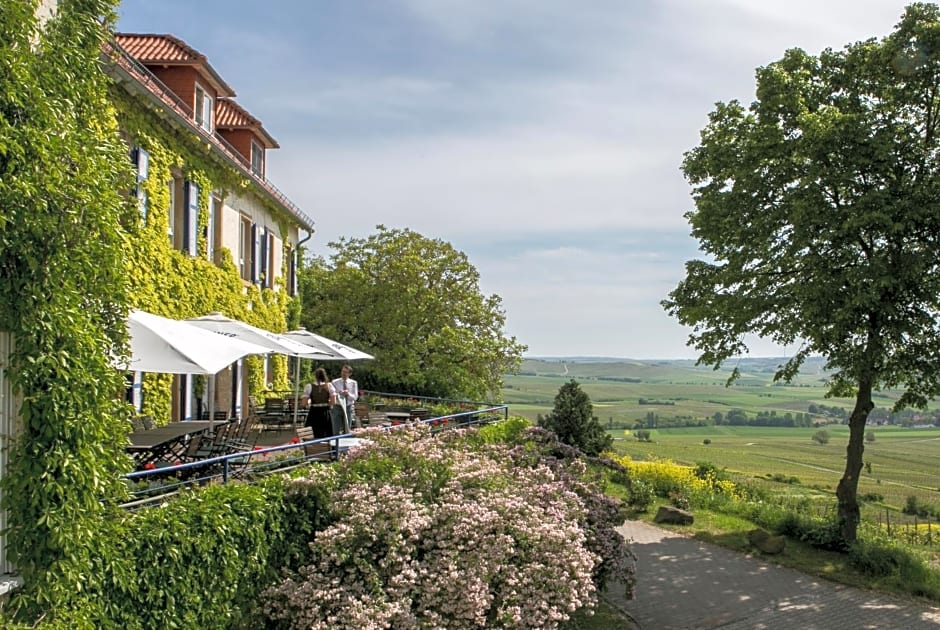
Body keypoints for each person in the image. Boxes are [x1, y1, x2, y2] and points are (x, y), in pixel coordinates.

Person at [302, 367, 335, 439]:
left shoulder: (309, 386)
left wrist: (309, 403)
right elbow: (333, 402)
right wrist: (327, 404)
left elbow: (304, 403)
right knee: (326, 433)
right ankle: (327, 449)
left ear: (315, 376)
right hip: (325, 411)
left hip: (314, 412)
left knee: (313, 433)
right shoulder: (329, 386)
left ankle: (313, 449)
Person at [331, 364, 359, 433]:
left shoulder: (353, 383)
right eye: (343, 371)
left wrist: (348, 394)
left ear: (350, 374)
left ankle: (346, 443)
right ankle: (335, 442)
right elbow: (332, 394)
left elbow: (355, 397)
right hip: (337, 406)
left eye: (346, 372)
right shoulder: (334, 382)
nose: (343, 374)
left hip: (348, 407)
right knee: (336, 429)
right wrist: (339, 394)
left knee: (347, 429)